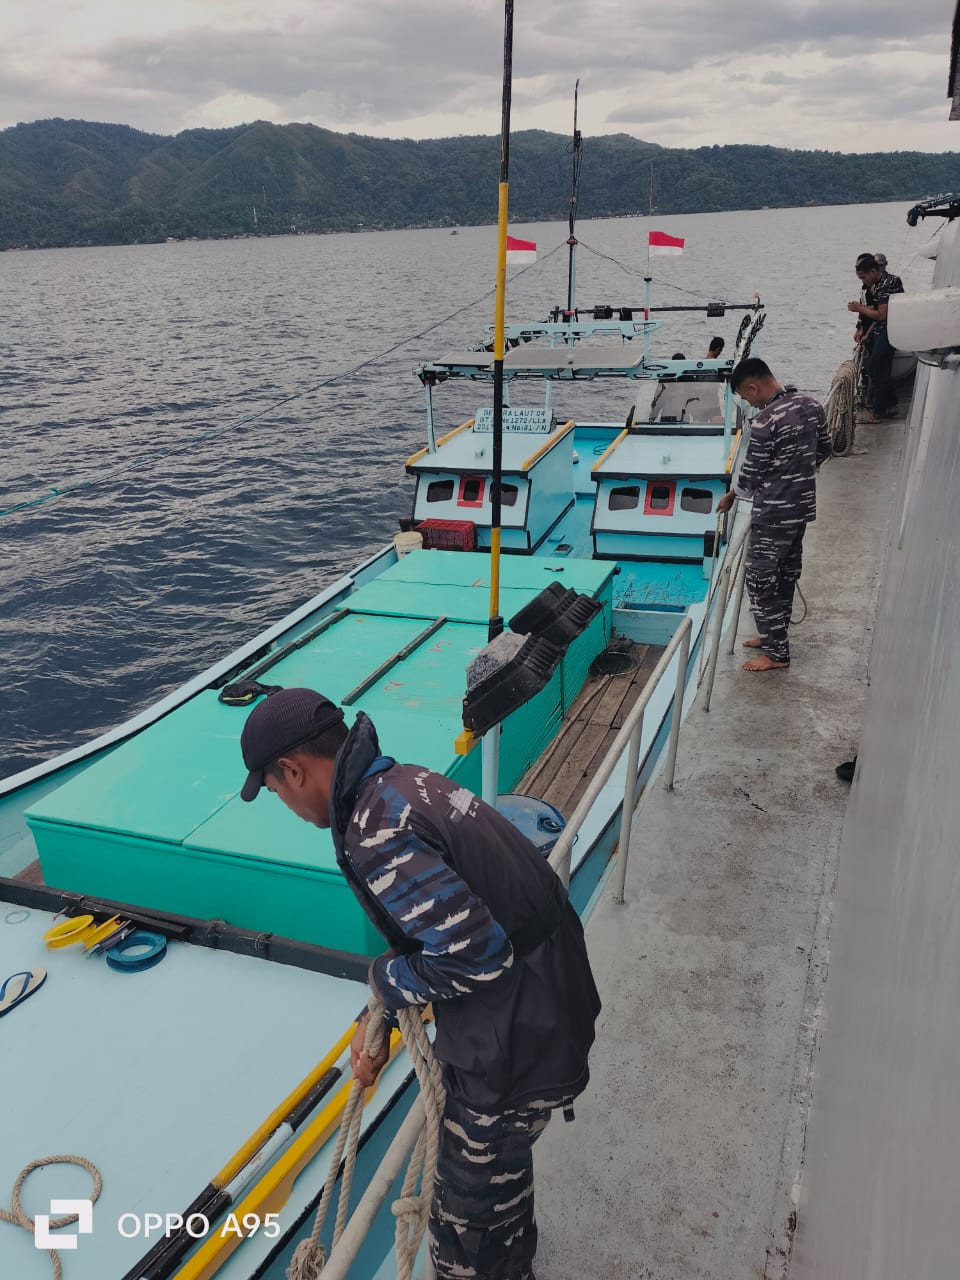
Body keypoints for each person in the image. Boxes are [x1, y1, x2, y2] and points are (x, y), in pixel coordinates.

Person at [239, 688, 601, 1280]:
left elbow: (477, 957)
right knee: (501, 1199)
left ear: (294, 770)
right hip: (551, 1003)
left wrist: (383, 978)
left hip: (517, 1049)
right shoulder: (403, 783)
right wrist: (378, 1013)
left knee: (462, 1243)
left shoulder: (375, 831)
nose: (281, 800)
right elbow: (442, 925)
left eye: (275, 789)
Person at [717, 358, 832, 672]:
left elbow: (751, 476)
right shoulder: (812, 406)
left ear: (754, 386)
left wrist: (733, 494)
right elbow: (825, 450)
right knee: (786, 572)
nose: (748, 402)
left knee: (760, 580)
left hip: (773, 515)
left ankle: (777, 654)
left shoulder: (766, 421)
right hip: (801, 509)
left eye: (745, 396)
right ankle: (772, 635)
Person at [848, 253, 904, 421]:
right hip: (879, 329)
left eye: (863, 276)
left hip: (891, 328)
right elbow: (869, 308)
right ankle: (890, 405)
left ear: (873, 271)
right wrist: (862, 329)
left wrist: (859, 309)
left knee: (878, 366)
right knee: (875, 366)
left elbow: (881, 315)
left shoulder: (888, 283)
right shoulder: (870, 285)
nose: (862, 280)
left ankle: (878, 412)